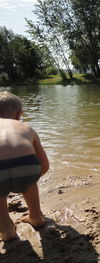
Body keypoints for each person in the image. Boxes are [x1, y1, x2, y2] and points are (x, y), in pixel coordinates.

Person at [0, 91, 49, 241]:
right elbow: (44, 164)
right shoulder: (26, 127)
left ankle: (7, 230)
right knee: (30, 180)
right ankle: (36, 216)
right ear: (19, 114)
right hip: (26, 168)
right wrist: (32, 178)